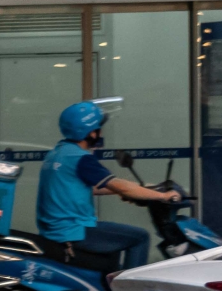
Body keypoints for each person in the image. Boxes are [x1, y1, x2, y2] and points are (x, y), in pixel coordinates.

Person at [36, 100, 182, 277]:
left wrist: (141, 189)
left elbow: (95, 186)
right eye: (99, 128)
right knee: (141, 237)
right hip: (73, 229)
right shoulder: (80, 158)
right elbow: (119, 185)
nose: (101, 132)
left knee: (116, 242)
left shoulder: (57, 153)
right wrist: (163, 196)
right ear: (90, 132)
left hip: (54, 229)